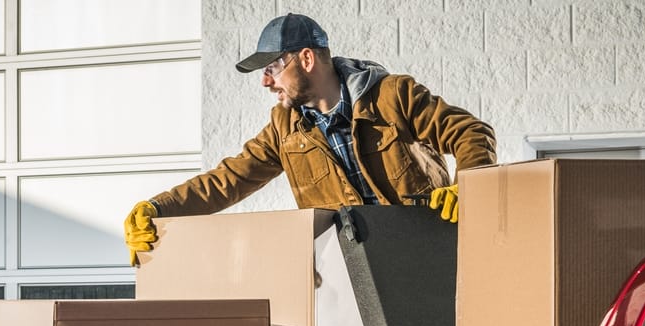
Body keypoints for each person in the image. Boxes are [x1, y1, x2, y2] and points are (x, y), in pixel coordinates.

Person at [124, 13, 496, 265]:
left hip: (427, 254)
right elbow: (228, 180)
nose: (265, 81)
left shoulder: (392, 95)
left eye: (272, 68)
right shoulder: (284, 129)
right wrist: (158, 208)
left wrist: (469, 186)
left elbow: (469, 132)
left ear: (305, 59)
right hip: (353, 271)